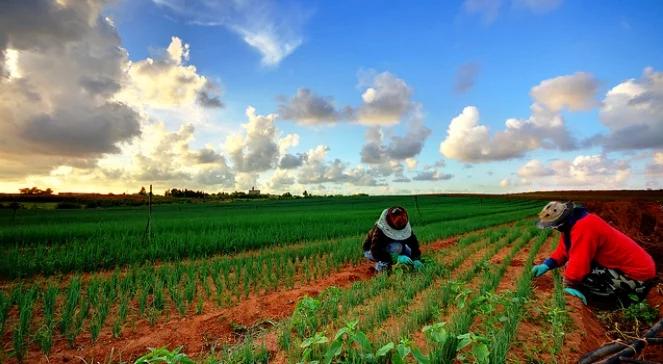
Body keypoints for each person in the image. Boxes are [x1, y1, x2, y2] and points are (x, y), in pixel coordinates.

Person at [532, 201, 656, 308]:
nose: (554, 229)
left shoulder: (584, 227)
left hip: (638, 275)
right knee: (577, 269)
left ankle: (611, 301)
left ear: (561, 221)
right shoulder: (574, 223)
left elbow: (579, 261)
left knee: (585, 275)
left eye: (554, 226)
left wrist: (570, 286)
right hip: (631, 267)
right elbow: (564, 250)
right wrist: (547, 265)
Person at [362, 206, 423, 272]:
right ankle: (382, 266)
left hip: (391, 246)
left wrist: (416, 259)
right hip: (372, 251)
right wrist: (395, 258)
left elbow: (414, 245)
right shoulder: (380, 229)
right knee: (396, 247)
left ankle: (397, 260)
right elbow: (376, 250)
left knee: (408, 251)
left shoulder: (404, 225)